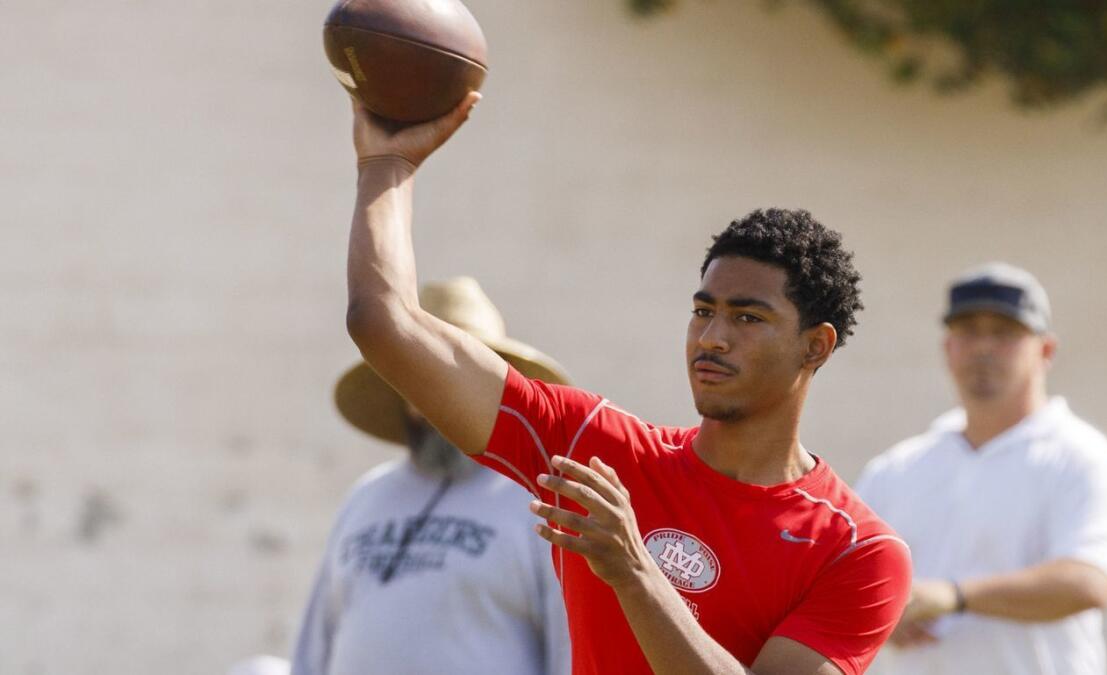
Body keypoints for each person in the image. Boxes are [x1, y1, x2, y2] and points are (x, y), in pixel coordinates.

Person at [338, 94, 911, 675]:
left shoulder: (858, 550)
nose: (711, 337)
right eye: (702, 310)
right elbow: (384, 323)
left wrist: (635, 572)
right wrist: (387, 168)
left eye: (747, 318)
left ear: (816, 345)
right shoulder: (593, 448)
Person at [855, 262, 1107, 675]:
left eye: (1005, 332)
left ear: (1046, 351)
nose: (983, 347)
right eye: (969, 331)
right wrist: (883, 618)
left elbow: (1087, 582)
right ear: (948, 348)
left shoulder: (1083, 459)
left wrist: (953, 596)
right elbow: (846, 579)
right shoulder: (897, 468)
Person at [291, 277, 572, 675]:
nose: (440, 400)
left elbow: (572, 654)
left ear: (496, 391)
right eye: (422, 378)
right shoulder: (366, 496)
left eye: (457, 381)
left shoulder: (538, 504)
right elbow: (313, 650)